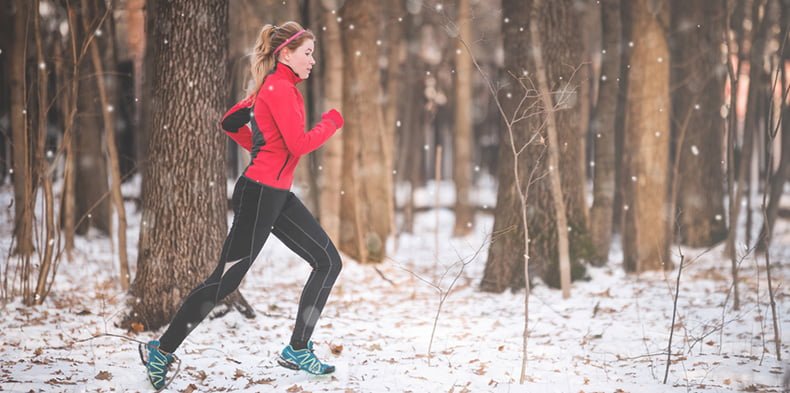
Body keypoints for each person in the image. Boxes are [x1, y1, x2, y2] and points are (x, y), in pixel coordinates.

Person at [142, 21, 344, 390]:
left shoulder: (276, 88)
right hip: (259, 195)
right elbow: (298, 144)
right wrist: (330, 123)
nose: (313, 61)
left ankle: (297, 348)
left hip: (277, 194)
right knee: (225, 279)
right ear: (286, 53)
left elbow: (230, 121)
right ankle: (161, 348)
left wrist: (258, 143)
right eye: (308, 53)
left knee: (328, 261)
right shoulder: (279, 88)